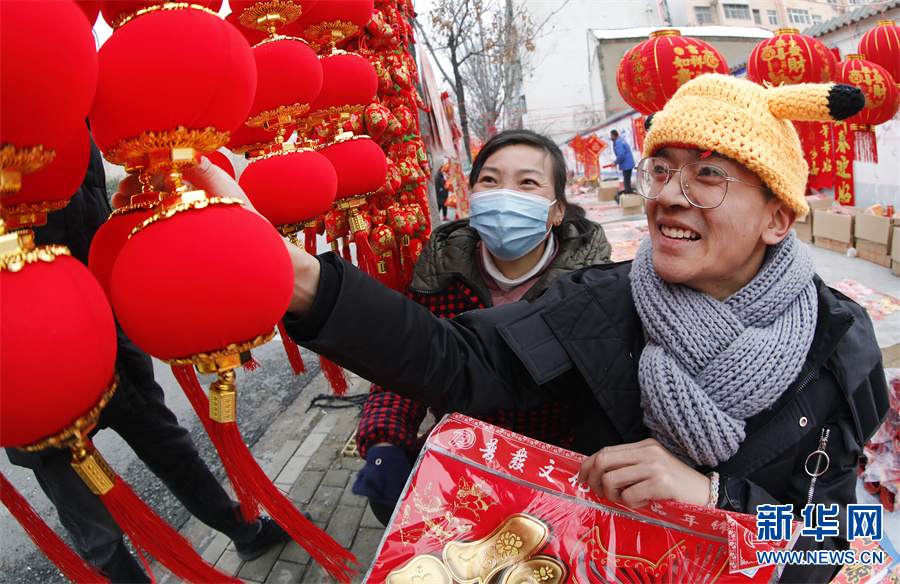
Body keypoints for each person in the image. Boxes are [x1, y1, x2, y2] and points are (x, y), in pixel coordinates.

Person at [277, 75, 889, 583]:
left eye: (708, 176)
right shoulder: (601, 302)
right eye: (662, 169)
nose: (669, 196)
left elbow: (833, 543)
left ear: (777, 218)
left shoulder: (837, 339)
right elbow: (460, 359)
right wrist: (309, 283)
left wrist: (717, 500)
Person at [6, 132, 290, 583]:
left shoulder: (60, 106)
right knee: (70, 484)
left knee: (163, 436)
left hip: (99, 305)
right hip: (20, 345)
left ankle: (242, 528)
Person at [352, 129, 612, 524]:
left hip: (557, 480)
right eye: (490, 180)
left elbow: (607, 400)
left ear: (558, 210)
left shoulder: (593, 289)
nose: (505, 196)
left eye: (527, 182)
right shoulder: (438, 276)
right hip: (459, 465)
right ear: (471, 195)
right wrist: (384, 440)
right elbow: (405, 364)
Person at [610, 129, 635, 201]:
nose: (611, 137)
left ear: (613, 135)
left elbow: (621, 155)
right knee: (627, 181)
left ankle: (629, 199)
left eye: (611, 136)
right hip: (628, 163)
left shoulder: (618, 142)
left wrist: (615, 162)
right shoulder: (621, 140)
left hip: (626, 164)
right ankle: (630, 195)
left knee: (626, 182)